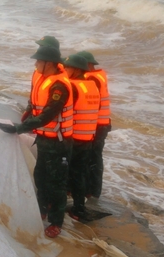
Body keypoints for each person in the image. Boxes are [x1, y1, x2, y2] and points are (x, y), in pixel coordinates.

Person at [0, 45, 73, 238]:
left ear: (49, 63)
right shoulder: (44, 78)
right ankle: (42, 209)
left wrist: (18, 128)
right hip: (45, 140)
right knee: (41, 177)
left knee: (57, 184)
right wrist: (28, 111)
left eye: (39, 61)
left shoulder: (59, 87)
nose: (36, 63)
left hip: (59, 143)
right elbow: (36, 102)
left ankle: (56, 221)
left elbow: (47, 115)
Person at [62, 54, 100, 222]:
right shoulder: (91, 86)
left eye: (68, 67)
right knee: (80, 174)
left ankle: (61, 206)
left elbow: (64, 111)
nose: (65, 70)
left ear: (77, 69)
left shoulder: (72, 87)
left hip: (73, 137)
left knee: (64, 172)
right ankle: (79, 208)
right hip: (87, 137)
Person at [77, 50, 111, 199]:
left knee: (93, 159)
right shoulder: (97, 77)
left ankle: (92, 192)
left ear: (88, 64)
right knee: (94, 158)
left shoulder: (92, 80)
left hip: (97, 125)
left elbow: (92, 106)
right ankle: (92, 191)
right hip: (101, 123)